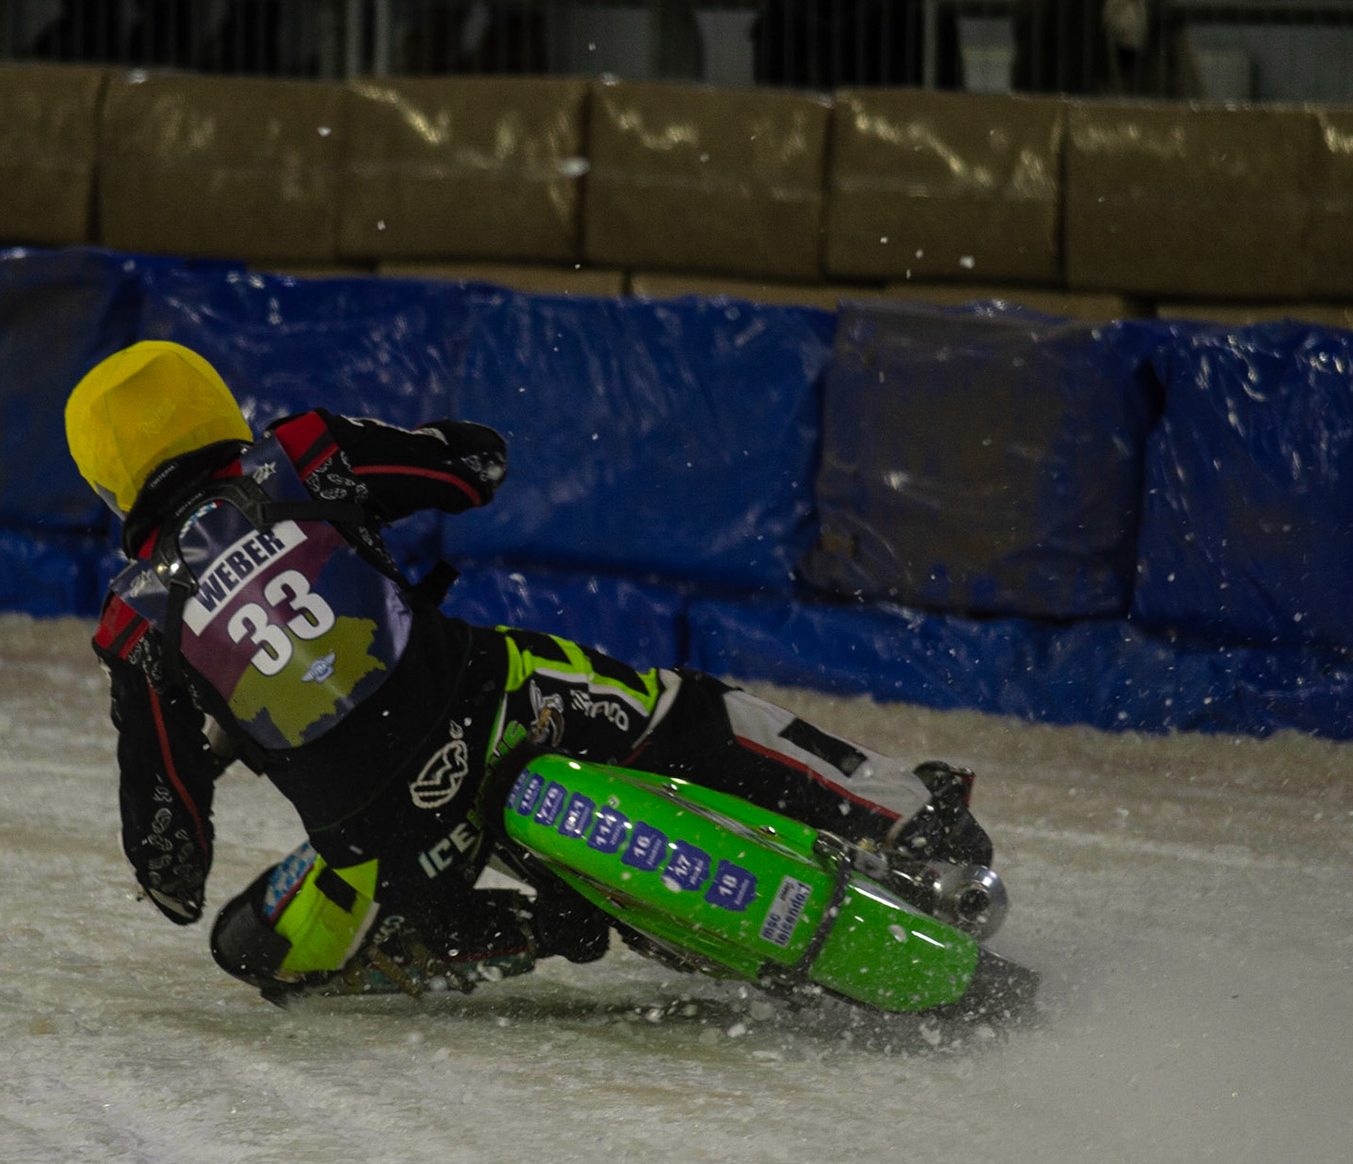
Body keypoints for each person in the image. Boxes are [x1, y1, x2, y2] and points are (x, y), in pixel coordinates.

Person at [67, 340, 993, 1003]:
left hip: (385, 845)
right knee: (687, 710)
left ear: (109, 479)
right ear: (214, 403)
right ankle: (911, 817)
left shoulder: (132, 625)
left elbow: (170, 868)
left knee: (246, 948)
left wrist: (224, 733)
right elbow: (474, 466)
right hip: (504, 709)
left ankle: (529, 929)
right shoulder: (302, 454)